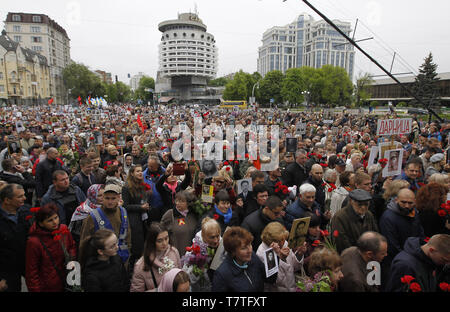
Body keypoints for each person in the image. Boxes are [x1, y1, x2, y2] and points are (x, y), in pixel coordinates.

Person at [25, 203, 77, 292]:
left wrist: (71, 257)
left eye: (56, 218)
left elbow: (72, 245)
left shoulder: (63, 230)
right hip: (47, 285)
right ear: (41, 223)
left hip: (66, 279)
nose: (55, 222)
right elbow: (32, 271)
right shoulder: (34, 242)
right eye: (50, 220)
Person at [79, 184, 132, 266]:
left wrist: (128, 251)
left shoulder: (123, 212)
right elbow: (84, 243)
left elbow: (127, 234)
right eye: (107, 198)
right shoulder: (92, 217)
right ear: (102, 198)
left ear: (118, 198)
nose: (110, 202)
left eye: (113, 198)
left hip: (122, 259)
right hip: (101, 262)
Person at [212, 226, 277, 292]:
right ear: (233, 251)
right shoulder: (222, 275)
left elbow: (270, 279)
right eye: (244, 248)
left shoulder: (253, 257)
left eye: (250, 245)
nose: (250, 250)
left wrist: (277, 257)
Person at [385, 234, 450, 292]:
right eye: (445, 260)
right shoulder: (404, 265)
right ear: (431, 250)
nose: (447, 264)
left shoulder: (430, 261)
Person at [380, 188, 424, 270]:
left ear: (415, 201)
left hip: (413, 257)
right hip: (397, 261)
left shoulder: (414, 213)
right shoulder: (388, 217)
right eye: (403, 202)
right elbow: (392, 246)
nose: (407, 206)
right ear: (396, 200)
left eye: (410, 203)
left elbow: (420, 234)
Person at [130, 223, 181, 292]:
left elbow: (180, 276)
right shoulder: (140, 266)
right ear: (152, 242)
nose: (165, 243)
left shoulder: (174, 252)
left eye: (166, 238)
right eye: (159, 241)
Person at [256, 222, 306, 292]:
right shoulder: (262, 253)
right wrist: (281, 258)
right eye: (280, 241)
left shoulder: (284, 242)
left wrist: (299, 254)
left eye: (284, 239)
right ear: (271, 242)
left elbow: (294, 267)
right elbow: (276, 280)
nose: (283, 243)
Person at [0, 183, 31, 292]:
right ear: (7, 200)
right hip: (7, 270)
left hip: (27, 262)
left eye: (24, 195)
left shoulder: (25, 211)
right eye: (20, 196)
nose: (25, 198)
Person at [331, 189, 379, 254]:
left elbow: (375, 234)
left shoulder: (369, 215)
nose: (363, 207)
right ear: (351, 201)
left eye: (366, 204)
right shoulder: (340, 217)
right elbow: (341, 242)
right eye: (359, 204)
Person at [122, 164, 152, 267]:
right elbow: (125, 206)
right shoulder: (126, 188)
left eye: (141, 171)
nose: (140, 173)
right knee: (136, 247)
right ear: (132, 173)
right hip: (133, 220)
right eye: (137, 171)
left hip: (142, 218)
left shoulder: (141, 185)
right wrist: (140, 207)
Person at [161, 190, 200, 256]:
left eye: (182, 201)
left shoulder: (193, 214)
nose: (178, 203)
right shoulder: (170, 214)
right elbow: (161, 231)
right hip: (175, 254)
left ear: (188, 203)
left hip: (191, 254)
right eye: (177, 200)